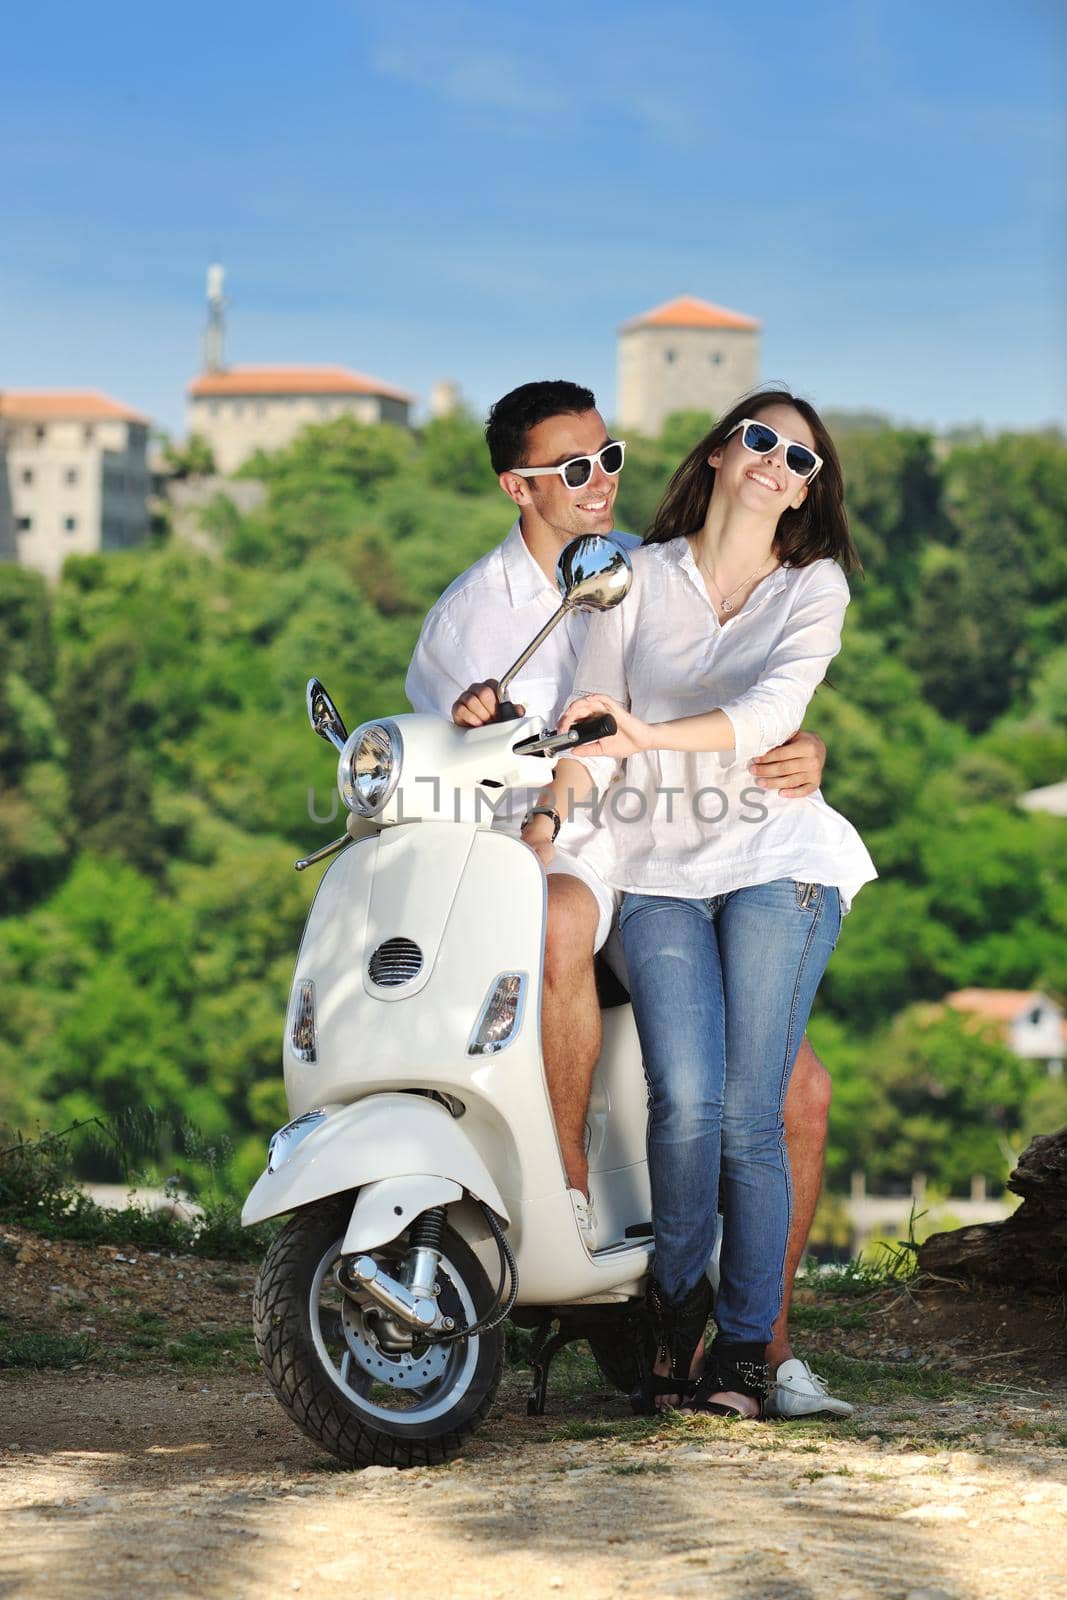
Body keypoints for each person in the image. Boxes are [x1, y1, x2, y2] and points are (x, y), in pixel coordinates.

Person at [407, 380, 851, 1418]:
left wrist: (800, 749)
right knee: (700, 1081)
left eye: (607, 459)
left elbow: (750, 707)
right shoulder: (480, 615)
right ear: (516, 488)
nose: (597, 480)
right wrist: (503, 750)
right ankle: (575, 1212)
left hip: (699, 851)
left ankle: (755, 1349)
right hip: (607, 861)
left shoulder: (635, 569)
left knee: (790, 1097)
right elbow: (517, 747)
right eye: (571, 471)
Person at [548, 390, 876, 1416]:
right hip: (651, 864)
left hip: (775, 853)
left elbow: (772, 712)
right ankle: (670, 1322)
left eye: (802, 459)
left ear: (806, 493)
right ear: (721, 453)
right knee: (683, 1101)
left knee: (746, 1107)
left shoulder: (813, 586)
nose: (778, 461)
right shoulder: (634, 578)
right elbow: (589, 723)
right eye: (761, 439)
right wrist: (552, 813)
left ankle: (741, 1354)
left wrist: (649, 735)